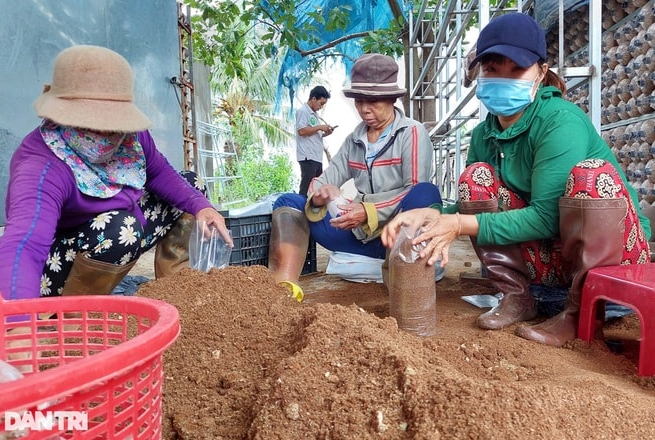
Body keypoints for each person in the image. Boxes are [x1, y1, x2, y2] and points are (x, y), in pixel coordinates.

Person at [381, 13, 651, 347]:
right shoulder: (484, 134)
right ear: (479, 72)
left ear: (540, 71)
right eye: (492, 70)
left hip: (611, 264)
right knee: (475, 179)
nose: (502, 79)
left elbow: (547, 215)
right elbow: (472, 208)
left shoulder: (559, 121)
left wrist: (457, 223)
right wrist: (435, 213)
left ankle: (581, 314)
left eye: (516, 70)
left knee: (590, 177)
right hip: (552, 263)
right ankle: (517, 296)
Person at [0, 45, 233, 304]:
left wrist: (202, 206)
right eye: (100, 125)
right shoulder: (42, 165)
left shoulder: (130, 139)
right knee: (121, 227)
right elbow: (25, 246)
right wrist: (16, 322)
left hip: (122, 233)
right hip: (58, 263)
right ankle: (71, 316)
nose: (112, 134)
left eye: (116, 124)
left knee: (191, 188)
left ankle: (177, 294)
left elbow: (161, 173)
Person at [269, 53, 443, 292]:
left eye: (373, 102)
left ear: (392, 99)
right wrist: (318, 197)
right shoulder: (355, 139)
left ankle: (405, 276)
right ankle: (284, 287)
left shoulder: (412, 133)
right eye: (359, 101)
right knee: (288, 202)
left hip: (397, 237)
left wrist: (368, 211)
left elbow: (413, 191)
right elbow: (322, 180)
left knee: (426, 192)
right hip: (359, 237)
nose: (364, 109)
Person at [296, 85, 334, 196]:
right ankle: (300, 210)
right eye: (321, 103)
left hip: (317, 157)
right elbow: (301, 131)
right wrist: (320, 127)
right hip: (308, 156)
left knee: (316, 189)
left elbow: (313, 134)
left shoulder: (315, 115)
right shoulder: (303, 111)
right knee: (306, 188)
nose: (321, 107)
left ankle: (311, 211)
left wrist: (325, 133)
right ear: (313, 99)